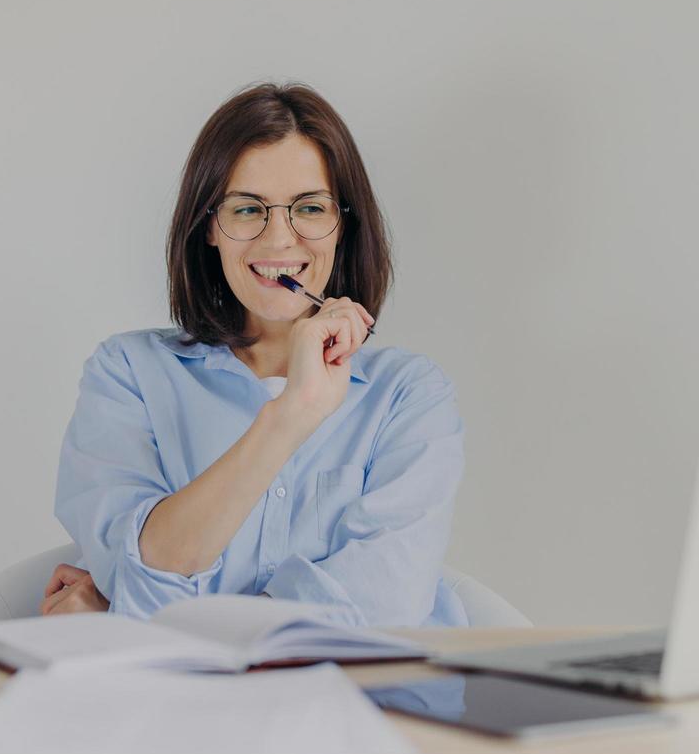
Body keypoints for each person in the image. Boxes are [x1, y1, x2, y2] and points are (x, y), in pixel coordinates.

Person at [41, 82, 468, 627]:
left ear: (344, 225)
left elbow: (382, 610)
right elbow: (144, 574)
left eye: (309, 208)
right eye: (247, 210)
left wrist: (142, 613)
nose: (279, 241)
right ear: (209, 229)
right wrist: (291, 415)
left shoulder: (409, 395)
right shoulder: (127, 375)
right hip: (177, 708)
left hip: (370, 702)